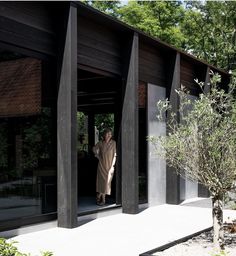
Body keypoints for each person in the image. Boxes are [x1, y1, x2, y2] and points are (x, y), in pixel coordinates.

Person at [93, 128, 116, 206]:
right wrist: (98, 156)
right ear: (104, 135)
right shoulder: (100, 143)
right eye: (108, 134)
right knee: (102, 183)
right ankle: (103, 200)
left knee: (107, 182)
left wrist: (113, 165)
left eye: (110, 134)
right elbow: (94, 149)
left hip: (110, 166)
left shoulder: (113, 143)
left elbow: (115, 155)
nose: (109, 135)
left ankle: (99, 195)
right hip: (102, 166)